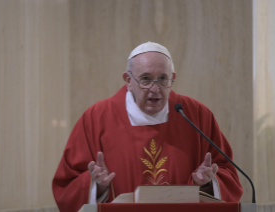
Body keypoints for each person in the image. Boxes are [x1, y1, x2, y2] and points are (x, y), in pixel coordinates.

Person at [52, 42, 243, 212]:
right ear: (128, 81)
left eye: (162, 79)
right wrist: (97, 185)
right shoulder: (96, 118)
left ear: (172, 78)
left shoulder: (196, 115)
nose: (155, 89)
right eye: (145, 79)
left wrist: (208, 183)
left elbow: (227, 174)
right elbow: (67, 185)